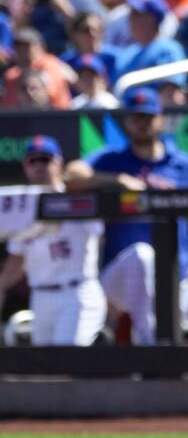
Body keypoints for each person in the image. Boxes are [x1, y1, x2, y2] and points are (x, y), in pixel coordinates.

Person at [64, 88, 188, 345]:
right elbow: (70, 176)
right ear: (126, 122)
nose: (141, 124)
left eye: (147, 117)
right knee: (142, 256)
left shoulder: (181, 163)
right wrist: (118, 179)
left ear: (160, 119)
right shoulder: (113, 159)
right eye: (136, 118)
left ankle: (156, 368)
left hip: (174, 272)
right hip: (121, 275)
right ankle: (147, 348)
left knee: (172, 343)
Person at [0, 137, 106, 346]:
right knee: (47, 370)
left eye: (45, 160)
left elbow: (100, 235)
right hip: (41, 296)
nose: (40, 166)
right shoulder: (22, 206)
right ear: (25, 166)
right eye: (33, 161)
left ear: (59, 164)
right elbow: (16, 261)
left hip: (76, 291)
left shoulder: (76, 197)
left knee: (67, 357)